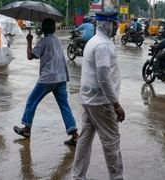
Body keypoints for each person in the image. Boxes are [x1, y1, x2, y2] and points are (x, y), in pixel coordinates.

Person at [72, 12, 126, 180]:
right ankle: (117, 177)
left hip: (89, 99)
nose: (117, 27)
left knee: (85, 138)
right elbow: (103, 77)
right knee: (111, 141)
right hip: (101, 102)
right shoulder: (102, 45)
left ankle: (78, 175)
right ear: (106, 24)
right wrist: (116, 104)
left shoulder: (94, 41)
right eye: (114, 24)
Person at [13, 18, 79, 146]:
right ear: (54, 28)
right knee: (64, 106)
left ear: (42, 29)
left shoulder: (43, 42)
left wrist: (29, 41)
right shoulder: (57, 41)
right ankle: (74, 134)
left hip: (48, 78)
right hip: (61, 78)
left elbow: (30, 56)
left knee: (32, 101)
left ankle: (26, 129)